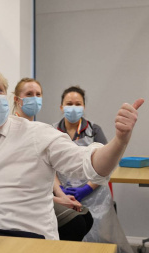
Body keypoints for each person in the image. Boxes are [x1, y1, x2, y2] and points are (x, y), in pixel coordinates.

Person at [0, 64, 143, 241]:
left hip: (28, 244)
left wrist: (120, 140)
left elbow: (91, 165)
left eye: (0, 90)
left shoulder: (37, 134)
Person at [54, 86, 144, 253]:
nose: (73, 107)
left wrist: (86, 188)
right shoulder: (52, 131)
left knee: (99, 243)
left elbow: (106, 165)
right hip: (62, 195)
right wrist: (60, 191)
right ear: (61, 107)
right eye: (69, 104)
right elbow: (48, 166)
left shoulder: (94, 129)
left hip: (94, 194)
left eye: (77, 104)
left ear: (84, 107)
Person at [13, 78, 93, 241]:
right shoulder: (13, 130)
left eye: (38, 94)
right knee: (76, 223)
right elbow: (19, 182)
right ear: (16, 99)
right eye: (29, 94)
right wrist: (56, 198)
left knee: (86, 217)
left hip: (45, 191)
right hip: (24, 198)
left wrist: (60, 193)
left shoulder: (40, 129)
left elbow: (49, 166)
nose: (34, 98)